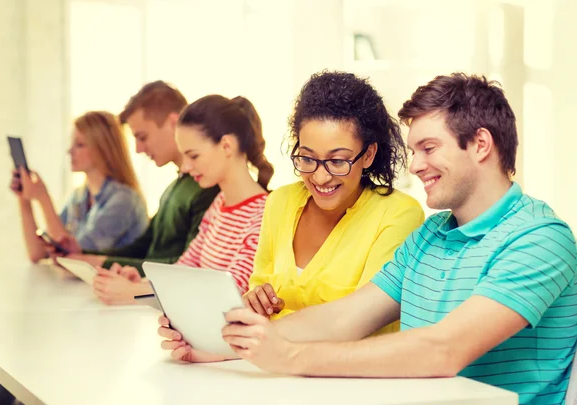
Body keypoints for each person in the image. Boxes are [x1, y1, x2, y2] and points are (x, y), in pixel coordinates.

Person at [159, 73, 577, 405]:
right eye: (414, 151)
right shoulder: (430, 236)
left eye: (429, 148)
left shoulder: (539, 239)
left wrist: (289, 357)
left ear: (481, 144)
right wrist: (223, 344)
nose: (415, 166)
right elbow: (342, 319)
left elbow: (443, 350)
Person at [242, 71, 423, 333]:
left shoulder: (398, 214)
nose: (320, 176)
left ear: (369, 155)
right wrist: (254, 303)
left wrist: (261, 333)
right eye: (307, 158)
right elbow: (256, 290)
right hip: (274, 366)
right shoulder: (280, 202)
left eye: (338, 161)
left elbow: (358, 322)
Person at [96, 94, 273, 303]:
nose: (186, 167)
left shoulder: (265, 216)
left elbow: (228, 294)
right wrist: (142, 283)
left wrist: (134, 294)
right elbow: (186, 269)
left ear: (226, 146)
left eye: (194, 156)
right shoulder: (218, 205)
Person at [57, 81, 218, 278]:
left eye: (142, 137)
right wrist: (89, 257)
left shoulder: (206, 188)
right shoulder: (176, 188)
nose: (138, 149)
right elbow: (143, 246)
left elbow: (188, 267)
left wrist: (99, 262)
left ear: (173, 123)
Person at [10, 111, 148, 263]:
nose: (70, 151)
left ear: (103, 149)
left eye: (80, 145)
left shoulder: (124, 201)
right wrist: (24, 200)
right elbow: (37, 253)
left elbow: (73, 258)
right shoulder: (80, 196)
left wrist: (43, 198)